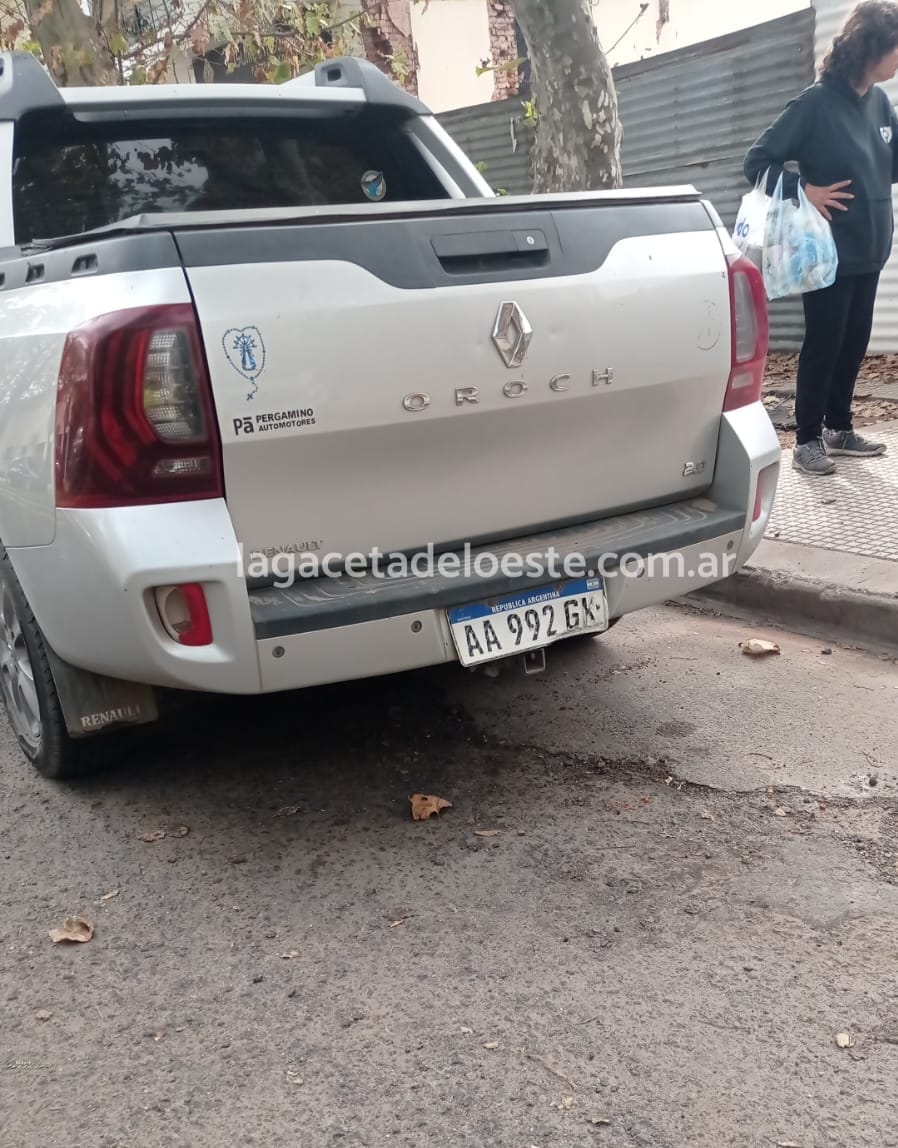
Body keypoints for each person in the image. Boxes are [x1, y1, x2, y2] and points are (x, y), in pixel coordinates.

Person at [744, 0, 898, 475]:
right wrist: (803, 190)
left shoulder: (880, 103)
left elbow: (889, 166)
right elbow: (757, 161)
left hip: (870, 246)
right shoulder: (815, 104)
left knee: (854, 342)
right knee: (825, 343)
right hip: (827, 251)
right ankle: (807, 438)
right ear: (871, 49)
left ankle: (839, 428)